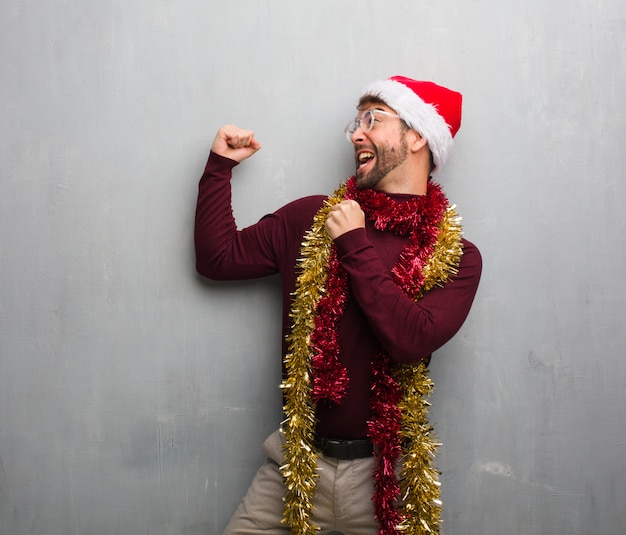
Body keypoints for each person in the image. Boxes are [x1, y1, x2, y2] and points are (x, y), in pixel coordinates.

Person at [195, 76, 482, 535]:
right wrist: (219, 167)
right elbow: (217, 259)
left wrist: (354, 243)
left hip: (387, 481)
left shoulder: (457, 257)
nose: (355, 133)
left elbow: (410, 341)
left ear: (417, 136)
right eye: (356, 120)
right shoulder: (313, 219)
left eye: (373, 118)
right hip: (294, 468)